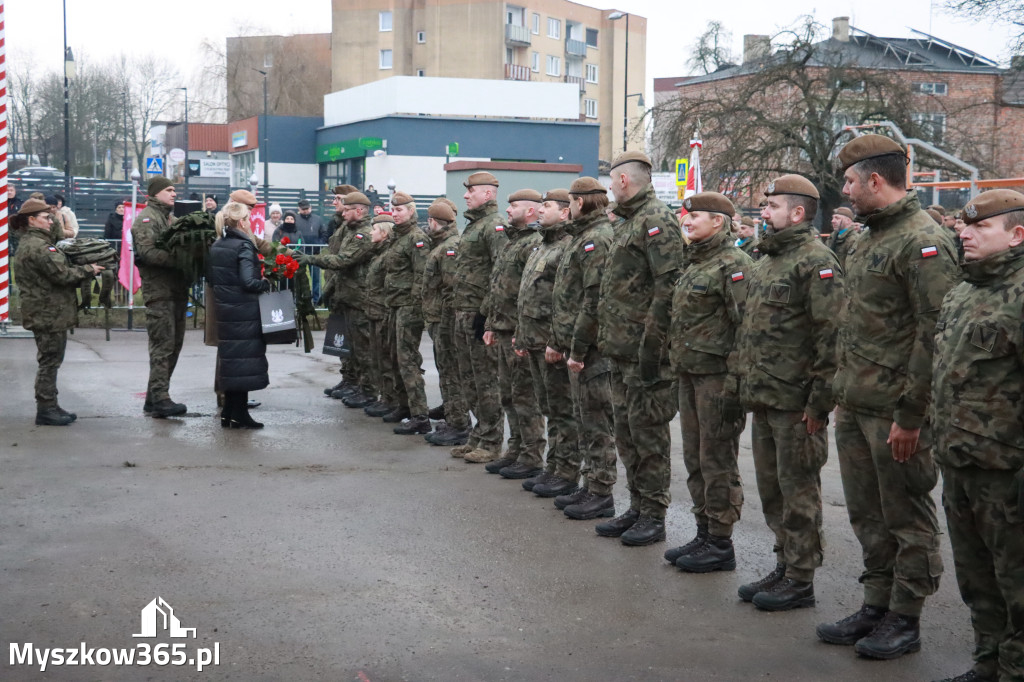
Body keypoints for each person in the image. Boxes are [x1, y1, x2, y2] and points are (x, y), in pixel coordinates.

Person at [821, 134, 960, 660]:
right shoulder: (868, 238)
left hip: (896, 412)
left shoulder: (923, 241)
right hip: (858, 403)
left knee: (905, 515)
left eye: (850, 182)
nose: (845, 191)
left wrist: (912, 415)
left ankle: (905, 615)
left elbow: (934, 335)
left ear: (875, 180)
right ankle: (876, 603)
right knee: (867, 514)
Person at [733, 174, 843, 610]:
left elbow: (831, 337)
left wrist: (819, 403)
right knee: (773, 490)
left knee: (799, 493)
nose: (764, 212)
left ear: (797, 213)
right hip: (766, 396)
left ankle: (800, 577)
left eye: (772, 206)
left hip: (796, 403)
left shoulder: (816, 261)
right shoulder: (770, 259)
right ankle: (783, 563)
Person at [930, 189, 1024, 682]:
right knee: (976, 577)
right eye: (964, 225)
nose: (964, 234)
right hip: (960, 460)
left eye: (980, 227)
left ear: (1016, 235)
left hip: (1006, 472)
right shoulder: (963, 290)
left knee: (1017, 584)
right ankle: (988, 661)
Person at [595, 151, 684, 546]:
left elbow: (668, 287)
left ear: (623, 180)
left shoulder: (655, 220)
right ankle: (637, 506)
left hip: (644, 352)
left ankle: (654, 514)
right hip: (621, 349)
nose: (610, 189)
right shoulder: (629, 221)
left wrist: (653, 346)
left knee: (649, 437)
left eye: (611, 181)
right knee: (627, 435)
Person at [665, 191, 752, 572]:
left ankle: (720, 540)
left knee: (717, 460)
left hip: (717, 379)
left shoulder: (734, 264)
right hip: (690, 373)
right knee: (695, 458)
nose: (686, 221)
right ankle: (703, 530)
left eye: (695, 216)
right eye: (686, 216)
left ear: (718, 221)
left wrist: (736, 384)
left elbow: (745, 327)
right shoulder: (696, 261)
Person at [548, 176, 617, 520]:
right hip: (579, 344)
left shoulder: (597, 238)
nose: (570, 205)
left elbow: (593, 300)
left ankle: (601, 491)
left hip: (593, 349)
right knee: (584, 418)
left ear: (581, 202)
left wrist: (577, 349)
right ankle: (591, 484)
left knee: (597, 421)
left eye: (572, 200)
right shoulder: (583, 237)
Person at [11, 198, 104, 426]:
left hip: (45, 310)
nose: (51, 221)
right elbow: (62, 275)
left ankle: (50, 404)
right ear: (31, 220)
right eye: (46, 218)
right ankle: (46, 408)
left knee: (51, 360)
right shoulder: (40, 247)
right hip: (48, 312)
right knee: (49, 361)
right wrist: (89, 269)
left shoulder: (33, 243)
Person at [514, 189, 578, 494]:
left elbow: (565, 301)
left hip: (552, 343)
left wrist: (557, 339)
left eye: (547, 206)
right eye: (540, 206)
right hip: (534, 339)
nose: (540, 210)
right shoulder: (542, 245)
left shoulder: (565, 247)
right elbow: (528, 295)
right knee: (548, 407)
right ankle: (553, 466)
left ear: (564, 212)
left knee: (563, 410)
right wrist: (522, 332)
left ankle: (567, 471)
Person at [480, 189, 544, 475]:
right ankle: (515, 448)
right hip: (503, 328)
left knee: (524, 396)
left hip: (519, 332)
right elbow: (498, 287)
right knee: (507, 394)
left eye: (514, 205)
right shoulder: (512, 241)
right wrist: (491, 324)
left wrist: (522, 330)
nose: (507, 210)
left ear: (530, 211)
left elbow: (529, 293)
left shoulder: (533, 242)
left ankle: (531, 455)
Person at [449, 172, 509, 460]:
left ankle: (492, 442)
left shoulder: (495, 226)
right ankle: (479, 434)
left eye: (471, 190)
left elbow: (501, 272)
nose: (465, 195)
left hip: (478, 313)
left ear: (487, 194)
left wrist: (487, 313)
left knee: (486, 381)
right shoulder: (474, 225)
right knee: (469, 379)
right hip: (462, 309)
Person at [206, 201, 271, 429]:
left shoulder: (218, 244)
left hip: (226, 310)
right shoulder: (243, 245)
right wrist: (265, 283)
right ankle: (239, 414)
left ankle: (230, 412)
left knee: (233, 363)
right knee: (243, 364)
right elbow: (248, 281)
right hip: (244, 311)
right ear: (242, 222)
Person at [133, 177, 189, 418]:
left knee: (173, 346)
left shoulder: (170, 219)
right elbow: (148, 252)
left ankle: (153, 398)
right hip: (159, 292)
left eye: (175, 190)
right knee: (162, 346)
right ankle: (161, 399)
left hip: (176, 291)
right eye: (169, 190)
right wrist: (181, 260)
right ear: (155, 193)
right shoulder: (147, 219)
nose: (174, 194)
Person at [422, 199, 471, 447]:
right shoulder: (441, 244)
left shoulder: (449, 247)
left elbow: (452, 288)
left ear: (433, 221)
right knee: (446, 371)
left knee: (452, 372)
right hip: (438, 318)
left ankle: (459, 425)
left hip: (446, 320)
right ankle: (453, 418)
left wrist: (447, 322)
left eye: (428, 220)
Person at [384, 192, 431, 433]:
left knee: (407, 360)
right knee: (395, 357)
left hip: (408, 306)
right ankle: (404, 406)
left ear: (411, 211)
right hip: (394, 303)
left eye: (399, 210)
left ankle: (420, 415)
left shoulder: (416, 238)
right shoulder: (397, 236)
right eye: (393, 210)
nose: (394, 214)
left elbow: (422, 274)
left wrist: (414, 304)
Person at [295, 198, 327, 304]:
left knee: (316, 278)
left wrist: (319, 246)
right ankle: (299, 299)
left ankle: (316, 300)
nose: (305, 211)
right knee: (299, 277)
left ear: (311, 208)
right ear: (299, 209)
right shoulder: (295, 219)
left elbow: (324, 234)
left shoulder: (318, 219)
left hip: (314, 252)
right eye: (303, 209)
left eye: (307, 208)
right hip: (300, 253)